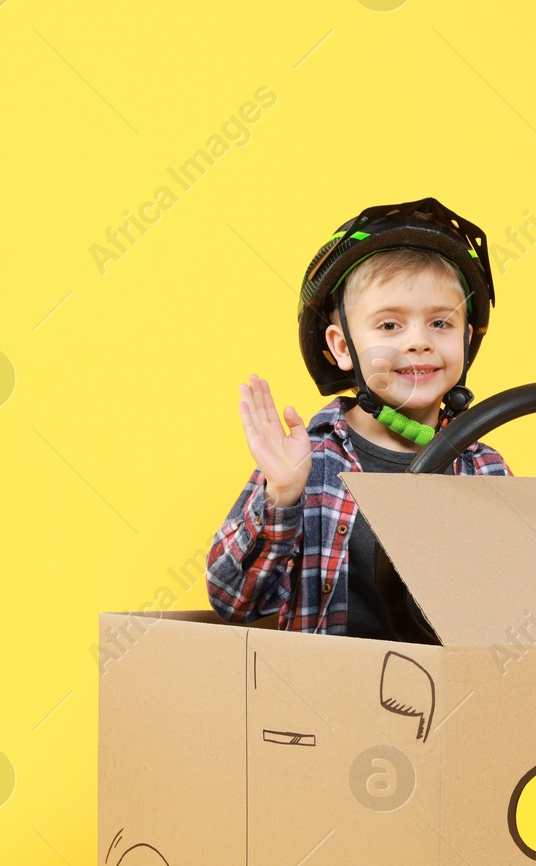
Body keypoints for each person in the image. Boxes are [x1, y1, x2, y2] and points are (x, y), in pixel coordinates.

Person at [205, 198, 511, 637]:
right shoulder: (308, 462)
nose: (418, 342)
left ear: (465, 338)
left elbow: (516, 615)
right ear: (344, 347)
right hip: (324, 697)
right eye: (389, 326)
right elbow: (232, 603)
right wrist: (282, 497)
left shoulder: (486, 469)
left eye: (440, 323)